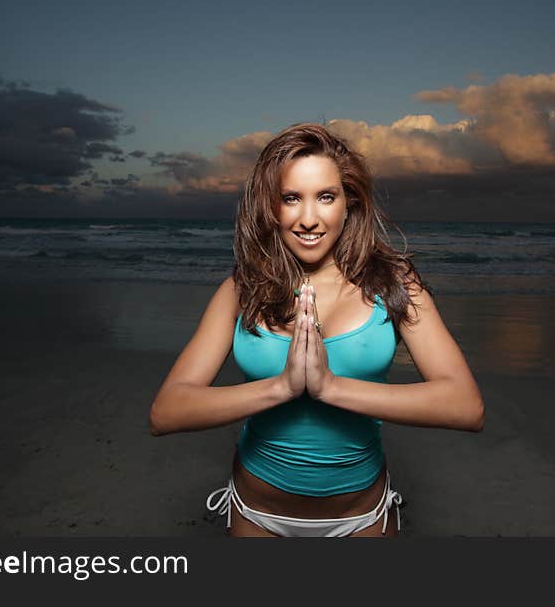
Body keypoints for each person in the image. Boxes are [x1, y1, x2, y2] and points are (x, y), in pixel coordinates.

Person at [149, 122, 484, 537]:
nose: (309, 219)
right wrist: (282, 388)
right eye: (291, 198)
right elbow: (166, 412)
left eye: (326, 197)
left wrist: (329, 388)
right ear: (271, 208)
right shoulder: (241, 290)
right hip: (257, 517)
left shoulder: (394, 284)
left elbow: (465, 406)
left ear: (350, 203)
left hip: (361, 519)